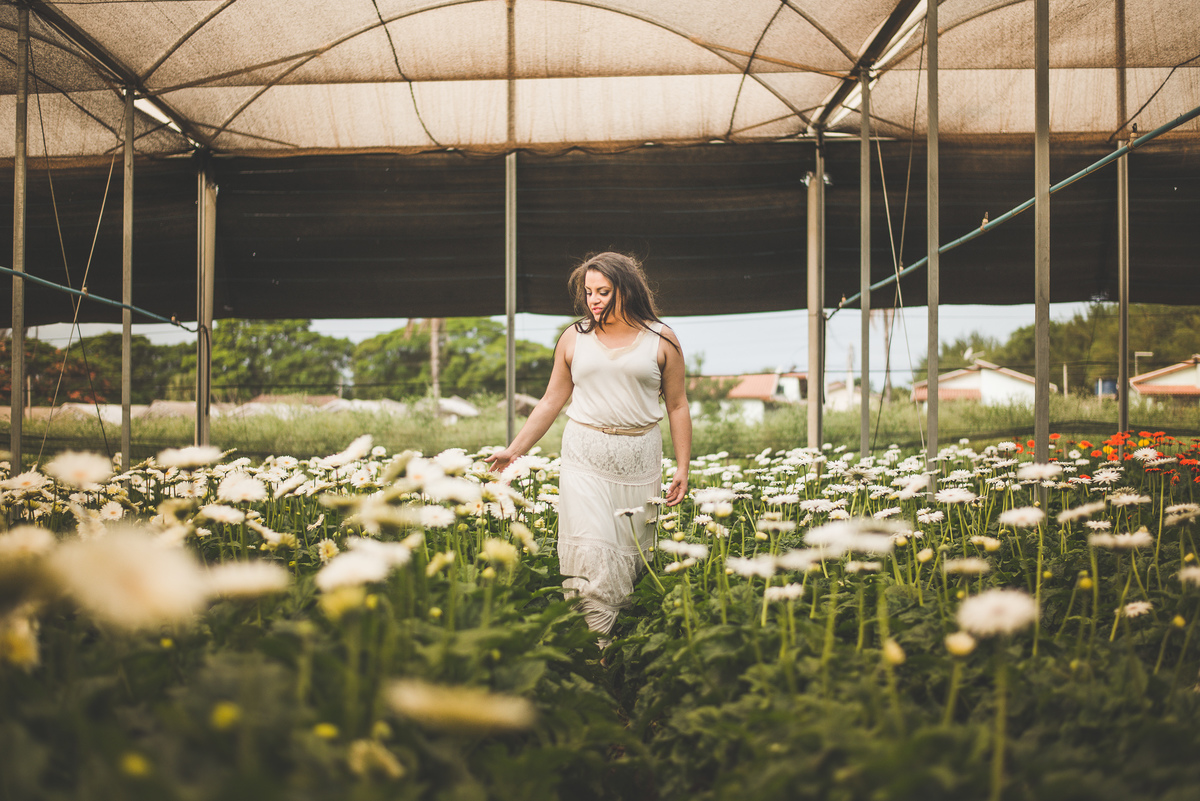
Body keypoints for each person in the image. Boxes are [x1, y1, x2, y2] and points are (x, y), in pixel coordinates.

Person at [486, 252, 691, 637]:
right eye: (589, 292)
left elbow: (677, 405)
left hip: (640, 459)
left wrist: (683, 467)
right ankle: (593, 647)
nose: (594, 300)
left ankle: (620, 645)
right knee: (594, 552)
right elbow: (551, 401)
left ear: (626, 290)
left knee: (631, 558)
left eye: (603, 291)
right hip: (584, 457)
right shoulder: (573, 338)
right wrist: (514, 450)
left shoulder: (662, 338)